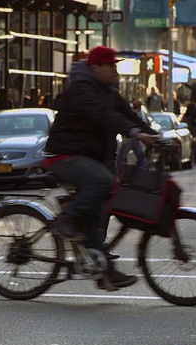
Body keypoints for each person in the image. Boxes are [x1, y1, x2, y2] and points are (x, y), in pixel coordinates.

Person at [44, 46, 158, 291]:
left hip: (88, 156)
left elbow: (127, 114)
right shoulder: (82, 90)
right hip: (64, 155)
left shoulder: (106, 91)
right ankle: (67, 220)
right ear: (97, 67)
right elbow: (105, 116)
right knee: (102, 181)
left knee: (97, 213)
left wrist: (157, 136)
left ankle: (103, 269)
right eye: (111, 66)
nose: (116, 70)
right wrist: (135, 134)